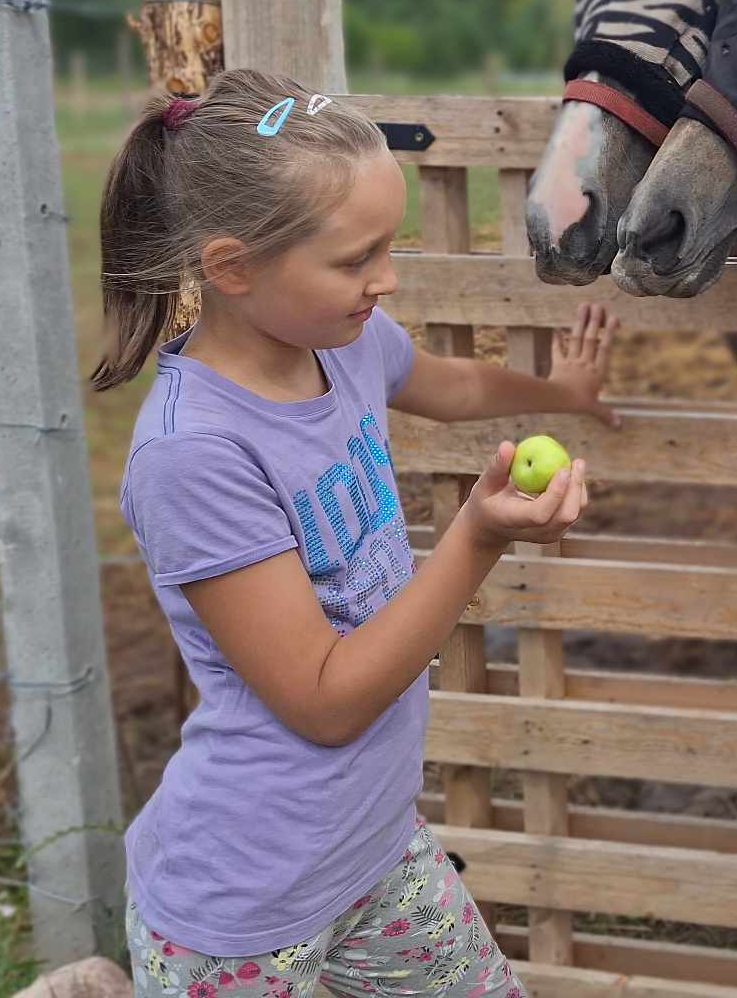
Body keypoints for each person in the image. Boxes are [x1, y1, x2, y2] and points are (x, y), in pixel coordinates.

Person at [92, 69, 622, 998]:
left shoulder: (342, 344)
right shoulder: (195, 455)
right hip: (243, 916)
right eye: (355, 259)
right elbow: (325, 701)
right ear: (231, 267)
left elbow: (449, 387)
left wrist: (560, 396)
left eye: (389, 245)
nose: (385, 279)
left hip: (373, 853)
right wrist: (477, 540)